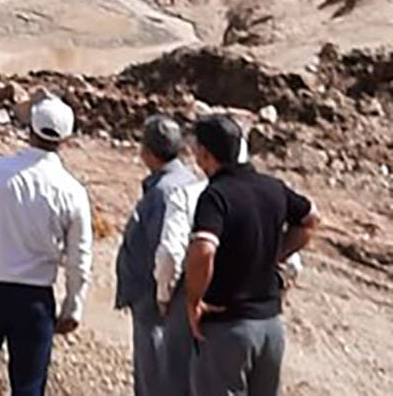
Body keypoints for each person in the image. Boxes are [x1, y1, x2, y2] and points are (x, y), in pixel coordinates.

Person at [0, 94, 93, 396]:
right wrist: (73, 306)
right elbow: (79, 257)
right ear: (66, 138)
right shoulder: (73, 191)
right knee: (28, 386)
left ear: (30, 129)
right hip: (33, 300)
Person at [185, 115, 320, 396]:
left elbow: (204, 249)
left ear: (205, 154)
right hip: (270, 325)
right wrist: (278, 254)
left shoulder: (215, 195)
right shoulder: (273, 187)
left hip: (227, 327)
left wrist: (194, 300)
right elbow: (310, 219)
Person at [115, 114, 201, 396]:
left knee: (155, 379)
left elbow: (166, 251)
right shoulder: (188, 180)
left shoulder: (163, 192)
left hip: (157, 302)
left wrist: (161, 296)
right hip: (169, 298)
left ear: (148, 152)